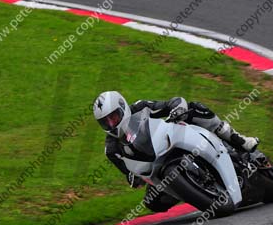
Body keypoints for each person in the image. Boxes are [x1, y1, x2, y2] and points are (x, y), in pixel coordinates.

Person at [93, 90, 259, 212]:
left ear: (122, 108)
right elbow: (127, 172)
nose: (111, 124)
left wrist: (176, 107)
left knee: (194, 109)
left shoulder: (140, 107)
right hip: (154, 168)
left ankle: (239, 140)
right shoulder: (111, 149)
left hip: (164, 140)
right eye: (105, 122)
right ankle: (192, 191)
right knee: (153, 203)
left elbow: (166, 105)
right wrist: (133, 178)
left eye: (113, 117)